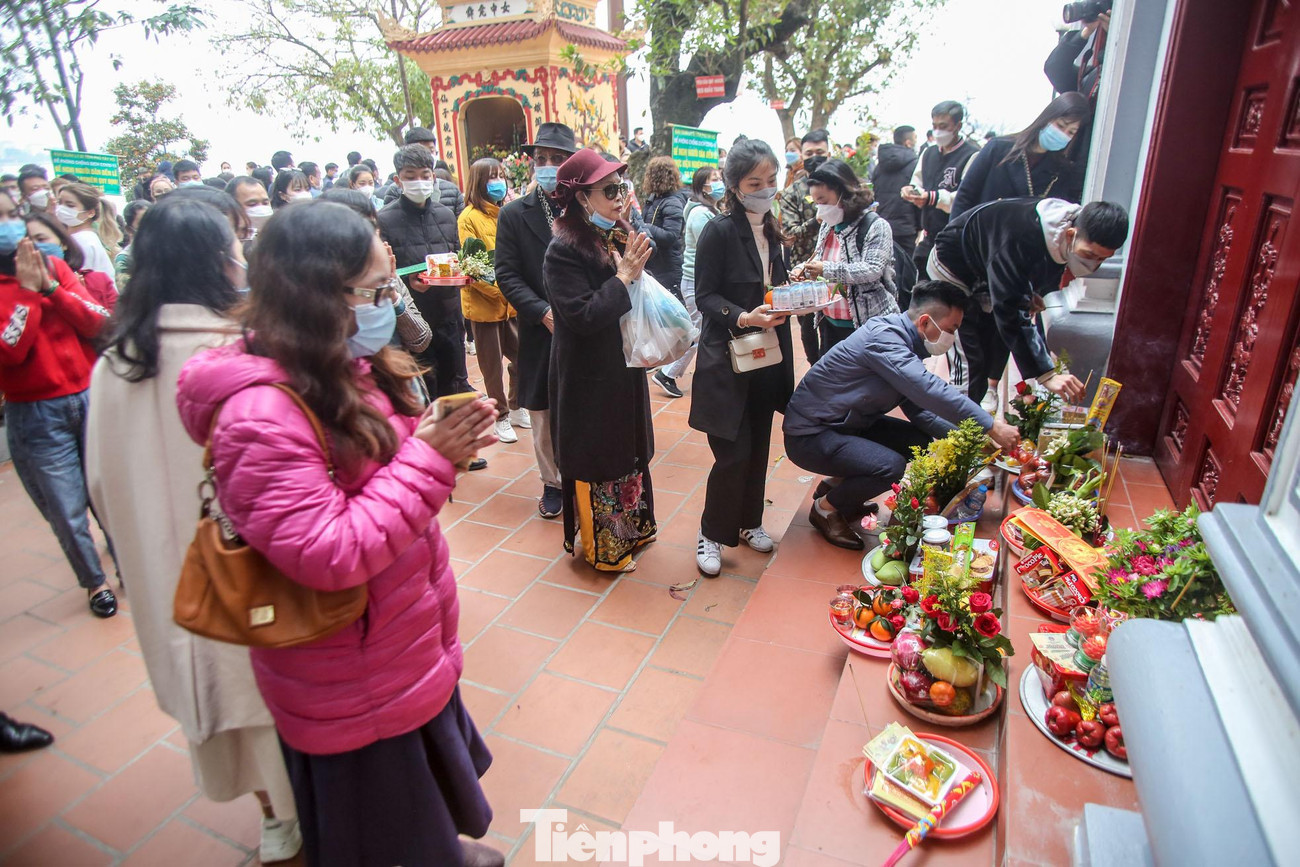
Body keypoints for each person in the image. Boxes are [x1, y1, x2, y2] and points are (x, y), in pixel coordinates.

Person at [173, 201, 502, 867]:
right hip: (349, 675)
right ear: (317, 297)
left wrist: (436, 438)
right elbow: (330, 552)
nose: (388, 304)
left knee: (421, 813)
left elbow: (380, 473)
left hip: (394, 642)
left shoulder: (344, 365)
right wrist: (429, 458)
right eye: (375, 292)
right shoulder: (259, 416)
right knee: (387, 832)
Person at [85, 195, 304, 864]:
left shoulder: (116, 360)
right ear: (217, 260)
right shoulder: (240, 352)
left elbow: (98, 482)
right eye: (235, 246)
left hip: (165, 571)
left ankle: (273, 818)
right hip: (251, 560)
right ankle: (303, 811)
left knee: (212, 691)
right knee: (272, 690)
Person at [784, 280, 1022, 548]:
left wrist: (973, 439)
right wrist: (991, 425)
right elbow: (930, 390)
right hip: (811, 436)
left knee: (918, 442)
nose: (952, 337)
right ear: (925, 322)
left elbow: (923, 413)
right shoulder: (885, 341)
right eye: (951, 329)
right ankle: (826, 508)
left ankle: (837, 485)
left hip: (844, 424)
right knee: (890, 467)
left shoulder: (903, 346)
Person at [0, 190, 118, 617]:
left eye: (11, 214)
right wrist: (28, 294)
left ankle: (125, 561)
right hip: (36, 413)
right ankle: (95, 583)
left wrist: (50, 287)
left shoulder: (56, 269)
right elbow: (9, 350)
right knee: (65, 507)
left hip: (88, 396)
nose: (10, 225)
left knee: (108, 491)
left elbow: (96, 321)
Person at [544, 149, 657, 573]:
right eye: (608, 190)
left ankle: (635, 530)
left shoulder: (617, 232)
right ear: (581, 197)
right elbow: (583, 315)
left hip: (623, 364)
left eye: (621, 187)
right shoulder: (562, 250)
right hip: (589, 374)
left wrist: (634, 266)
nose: (619, 196)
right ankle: (606, 549)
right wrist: (624, 277)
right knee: (600, 458)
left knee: (630, 451)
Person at [689, 139, 793, 577]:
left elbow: (774, 284)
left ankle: (750, 521)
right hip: (728, 357)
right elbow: (705, 296)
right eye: (755, 183)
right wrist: (744, 316)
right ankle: (711, 533)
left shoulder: (772, 227)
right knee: (732, 452)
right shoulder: (719, 231)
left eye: (771, 180)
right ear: (733, 186)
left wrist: (795, 294)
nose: (766, 189)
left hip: (766, 355)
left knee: (758, 446)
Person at [929, 197, 1127, 405]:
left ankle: (973, 413)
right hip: (954, 266)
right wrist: (1046, 374)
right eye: (1089, 255)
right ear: (1071, 234)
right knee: (970, 359)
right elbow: (1010, 308)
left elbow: (1025, 277)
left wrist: (1030, 293)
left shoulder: (1065, 229)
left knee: (988, 351)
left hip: (988, 272)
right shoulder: (1020, 238)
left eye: (1102, 259)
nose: (1093, 264)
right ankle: (958, 419)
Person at [496, 122, 578, 519]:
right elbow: (507, 273)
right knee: (543, 411)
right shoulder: (514, 214)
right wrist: (541, 312)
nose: (548, 165)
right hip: (540, 329)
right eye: (541, 158)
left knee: (581, 404)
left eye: (557, 159)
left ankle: (583, 474)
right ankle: (552, 482)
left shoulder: (588, 207)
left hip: (585, 324)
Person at [376, 145, 474, 404]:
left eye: (424, 175)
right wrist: (407, 282)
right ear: (398, 180)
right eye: (410, 176)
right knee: (421, 389)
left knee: (452, 384)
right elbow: (383, 272)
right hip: (413, 319)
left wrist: (463, 275)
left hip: (449, 313)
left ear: (433, 177)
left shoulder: (445, 215)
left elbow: (456, 255)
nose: (418, 181)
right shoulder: (384, 220)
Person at [794, 158, 898, 352]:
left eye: (823, 201)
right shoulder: (828, 225)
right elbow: (820, 259)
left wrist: (825, 269)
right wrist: (804, 269)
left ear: (844, 192)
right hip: (830, 323)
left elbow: (872, 269)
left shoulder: (876, 226)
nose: (820, 209)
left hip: (867, 326)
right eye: (816, 202)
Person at [320, 187, 433, 359]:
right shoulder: (318, 292)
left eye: (373, 228)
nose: (370, 239)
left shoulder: (387, 277)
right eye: (359, 230)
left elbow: (421, 340)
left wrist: (390, 293)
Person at [458, 158, 526, 444]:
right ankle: (500, 417)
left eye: (501, 176)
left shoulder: (506, 213)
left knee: (523, 357)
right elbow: (472, 267)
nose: (498, 182)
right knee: (491, 367)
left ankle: (517, 405)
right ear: (478, 182)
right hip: (485, 306)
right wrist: (503, 290)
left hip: (510, 305)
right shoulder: (468, 218)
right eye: (491, 177)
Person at [952, 92, 1091, 220]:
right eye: (1060, 125)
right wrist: (953, 236)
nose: (1063, 134)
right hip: (978, 234)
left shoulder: (1062, 171)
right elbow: (964, 196)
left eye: (1071, 132)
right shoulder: (998, 148)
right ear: (1047, 118)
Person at [652, 166, 723, 398]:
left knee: (698, 330)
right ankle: (667, 373)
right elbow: (712, 250)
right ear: (703, 186)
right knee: (697, 332)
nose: (719, 182)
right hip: (696, 281)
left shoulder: (708, 211)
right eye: (714, 179)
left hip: (697, 281)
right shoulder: (701, 214)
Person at [901, 100, 980, 276]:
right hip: (928, 236)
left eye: (943, 126)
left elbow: (965, 198)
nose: (938, 131)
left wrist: (932, 198)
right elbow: (917, 181)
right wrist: (911, 191)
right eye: (934, 126)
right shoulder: (928, 153)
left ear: (958, 126)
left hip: (955, 239)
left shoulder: (972, 155)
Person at [778, 128, 832, 364]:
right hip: (804, 269)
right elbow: (789, 234)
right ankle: (815, 367)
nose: (815, 157)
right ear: (802, 155)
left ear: (829, 153)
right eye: (809, 153)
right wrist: (816, 221)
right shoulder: (793, 192)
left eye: (820, 152)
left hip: (835, 268)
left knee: (832, 323)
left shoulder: (840, 188)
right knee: (808, 324)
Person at [25, 211, 118, 314]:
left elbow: (117, 321)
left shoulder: (98, 282)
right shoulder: (18, 290)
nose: (33, 246)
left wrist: (81, 298)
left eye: (41, 239)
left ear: (63, 243)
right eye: (26, 241)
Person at [55, 182, 121, 290]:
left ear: (90, 213)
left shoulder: (82, 241)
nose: (61, 208)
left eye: (70, 205)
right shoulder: (85, 237)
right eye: (59, 203)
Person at [387, 128, 465, 216]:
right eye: (411, 177)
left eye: (431, 150)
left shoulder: (452, 190)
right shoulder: (394, 191)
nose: (426, 155)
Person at [641, 156, 688, 300]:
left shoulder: (672, 202)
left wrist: (645, 227)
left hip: (668, 267)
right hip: (657, 266)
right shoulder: (654, 200)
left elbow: (671, 236)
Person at [872, 126, 922, 261]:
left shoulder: (879, 166)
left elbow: (874, 194)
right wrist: (920, 226)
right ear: (908, 142)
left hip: (882, 224)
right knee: (906, 268)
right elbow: (917, 196)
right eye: (915, 138)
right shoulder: (915, 164)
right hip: (906, 228)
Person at [113, 199, 151, 290]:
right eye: (143, 223)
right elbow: (126, 293)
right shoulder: (125, 259)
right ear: (129, 229)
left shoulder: (167, 249)